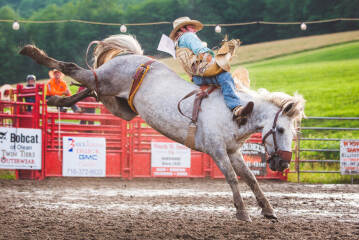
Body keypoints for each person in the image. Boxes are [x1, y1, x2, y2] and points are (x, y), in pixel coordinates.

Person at [169, 17, 254, 126]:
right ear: (183, 28)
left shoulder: (177, 45)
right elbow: (201, 50)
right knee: (225, 76)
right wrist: (215, 58)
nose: (194, 29)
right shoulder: (188, 36)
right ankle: (236, 108)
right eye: (191, 26)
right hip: (203, 72)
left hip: (196, 78)